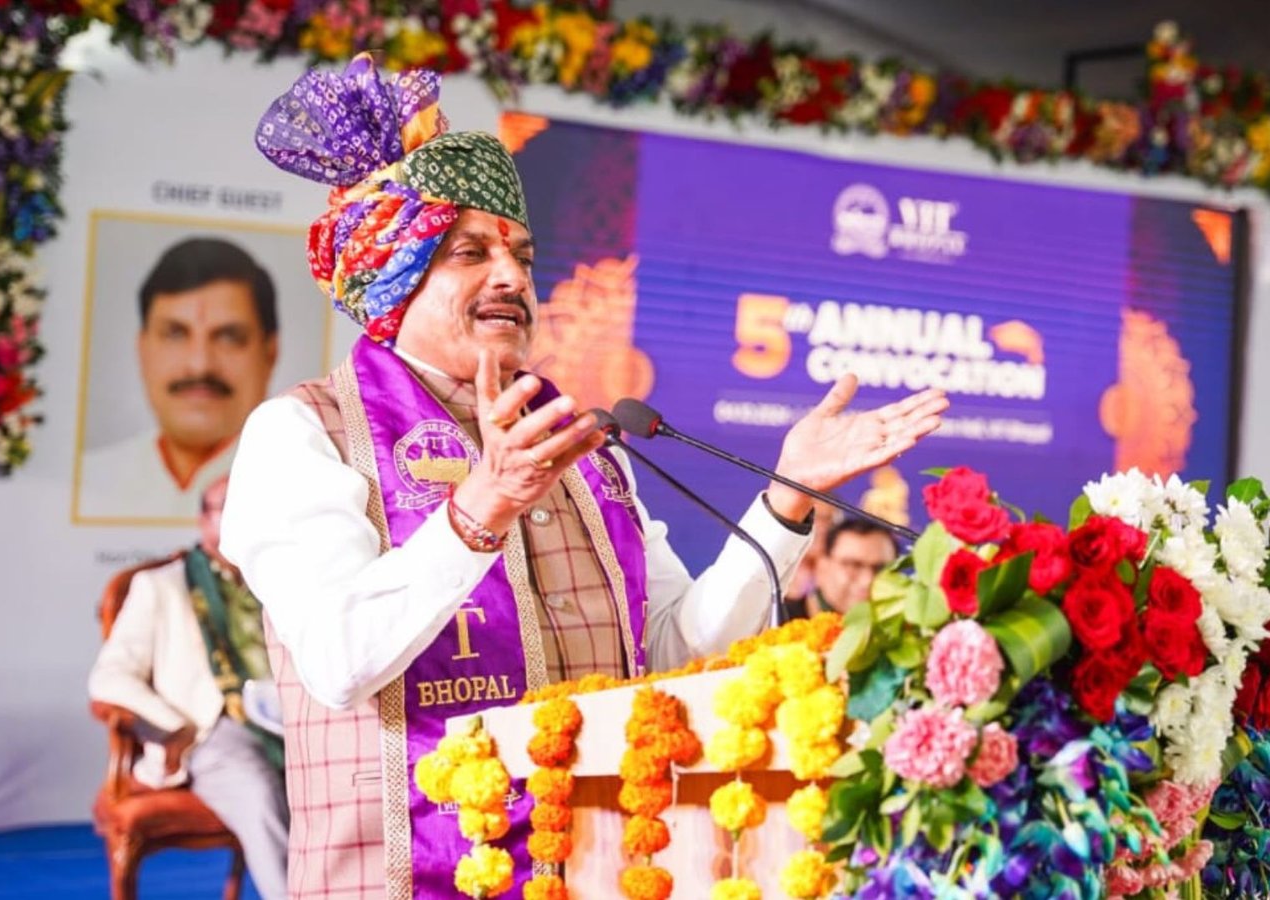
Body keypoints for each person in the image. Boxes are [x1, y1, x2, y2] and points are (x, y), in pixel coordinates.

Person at [222, 54, 947, 897]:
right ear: (391, 275)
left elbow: (680, 650)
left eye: (522, 255)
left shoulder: (582, 447)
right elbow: (339, 660)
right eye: (469, 252)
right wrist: (479, 509)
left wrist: (786, 499)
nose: (512, 277)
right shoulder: (304, 434)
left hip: (595, 870)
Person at [88, 475, 287, 900]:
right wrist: (171, 725)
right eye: (225, 508)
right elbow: (110, 676)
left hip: (287, 727)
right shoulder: (160, 586)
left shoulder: (277, 585)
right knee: (259, 793)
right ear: (203, 519)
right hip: (209, 733)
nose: (239, 518)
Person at [78, 237, 280, 520]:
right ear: (142, 348)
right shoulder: (88, 477)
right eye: (175, 333)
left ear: (270, 353)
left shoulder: (304, 484)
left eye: (229, 336)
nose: (199, 366)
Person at [784, 517, 900, 620]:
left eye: (881, 568)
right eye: (853, 565)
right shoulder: (775, 622)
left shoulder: (909, 633)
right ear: (822, 567)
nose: (867, 580)